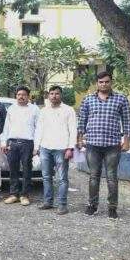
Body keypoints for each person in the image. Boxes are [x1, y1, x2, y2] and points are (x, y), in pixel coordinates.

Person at [77, 71, 130, 219]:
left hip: (112, 145)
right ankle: (92, 205)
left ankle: (112, 208)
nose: (104, 84)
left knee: (112, 177)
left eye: (107, 81)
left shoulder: (121, 99)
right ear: (97, 83)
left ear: (111, 82)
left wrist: (127, 141)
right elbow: (82, 121)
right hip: (92, 145)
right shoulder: (88, 99)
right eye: (101, 82)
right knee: (93, 176)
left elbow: (126, 121)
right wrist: (80, 139)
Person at [34, 85, 77, 215]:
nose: (54, 96)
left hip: (62, 148)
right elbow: (39, 130)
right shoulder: (44, 111)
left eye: (57, 93)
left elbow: (73, 130)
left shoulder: (68, 110)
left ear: (61, 95)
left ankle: (62, 205)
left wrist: (70, 148)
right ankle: (48, 202)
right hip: (45, 147)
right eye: (51, 94)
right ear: (48, 95)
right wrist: (36, 147)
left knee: (62, 178)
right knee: (46, 176)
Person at [1, 86, 39, 206]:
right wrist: (3, 143)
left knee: (27, 170)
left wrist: (36, 147)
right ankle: (14, 194)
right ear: (16, 96)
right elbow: (6, 127)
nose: (21, 97)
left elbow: (38, 129)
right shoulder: (11, 109)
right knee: (13, 170)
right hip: (12, 143)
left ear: (28, 96)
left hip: (27, 143)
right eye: (18, 95)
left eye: (23, 95)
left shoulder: (34, 109)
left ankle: (24, 195)